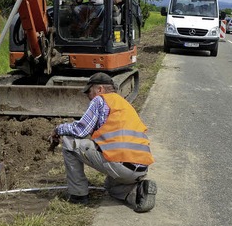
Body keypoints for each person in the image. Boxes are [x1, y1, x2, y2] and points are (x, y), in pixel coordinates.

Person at [49, 73, 157, 212]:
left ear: (99, 89)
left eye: (89, 91)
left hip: (120, 165)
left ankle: (78, 195)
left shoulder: (99, 100)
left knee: (69, 143)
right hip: (140, 168)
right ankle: (138, 192)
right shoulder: (124, 104)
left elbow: (81, 130)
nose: (88, 95)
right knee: (110, 187)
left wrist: (59, 129)